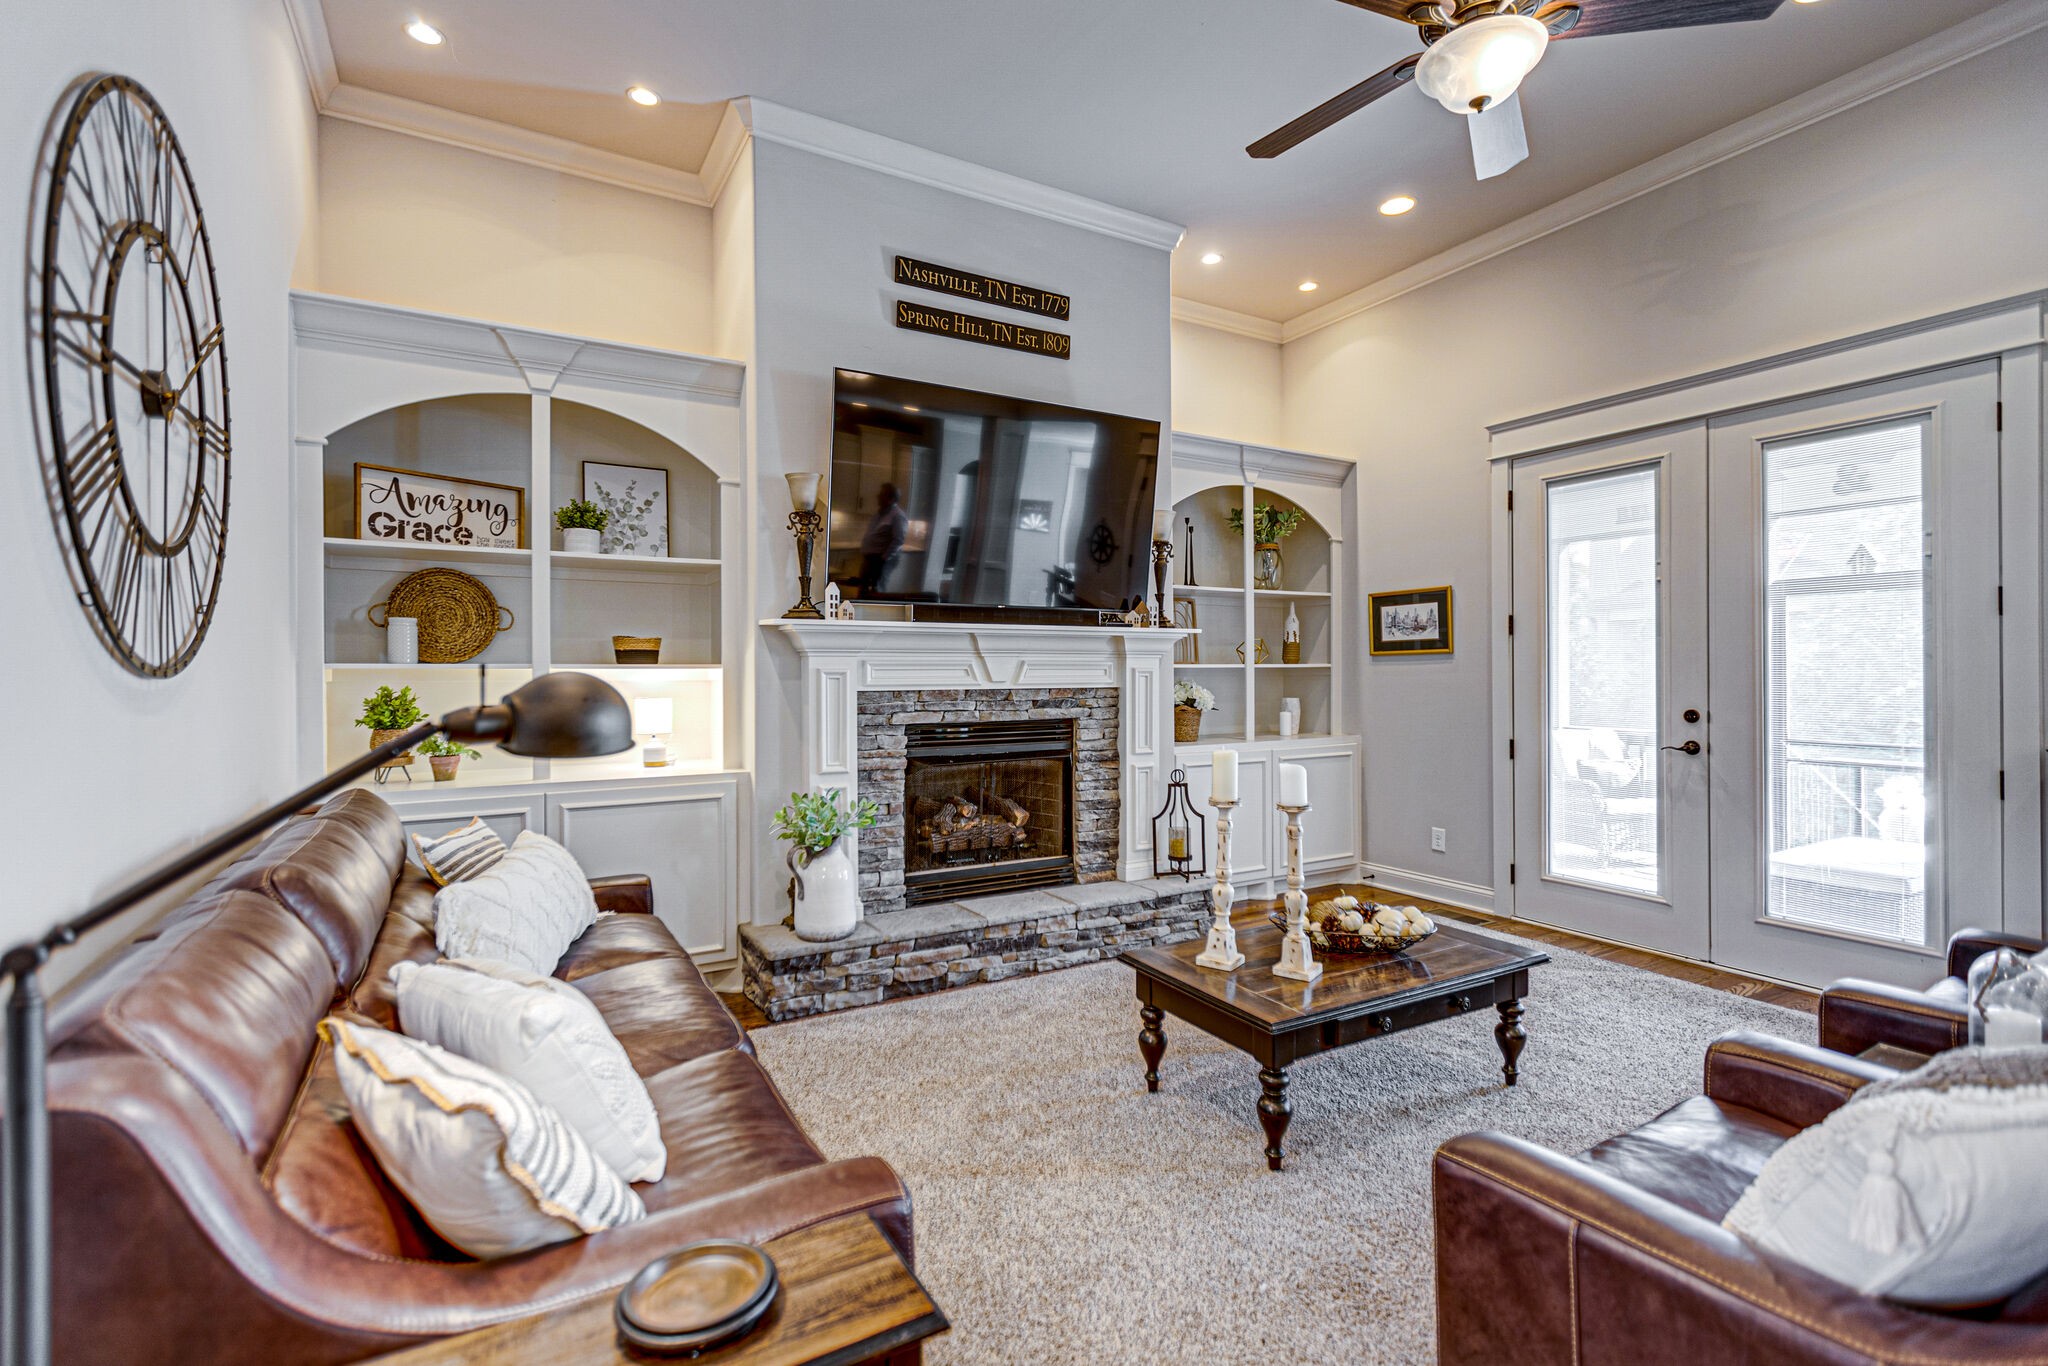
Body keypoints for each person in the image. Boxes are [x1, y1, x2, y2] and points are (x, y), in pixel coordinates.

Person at [858, 482, 908, 591]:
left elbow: (899, 540)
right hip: (871, 559)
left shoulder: (897, 515)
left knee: (877, 589)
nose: (878, 496)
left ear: (891, 498)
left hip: (880, 560)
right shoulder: (880, 513)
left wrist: (883, 559)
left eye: (882, 494)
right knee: (864, 587)